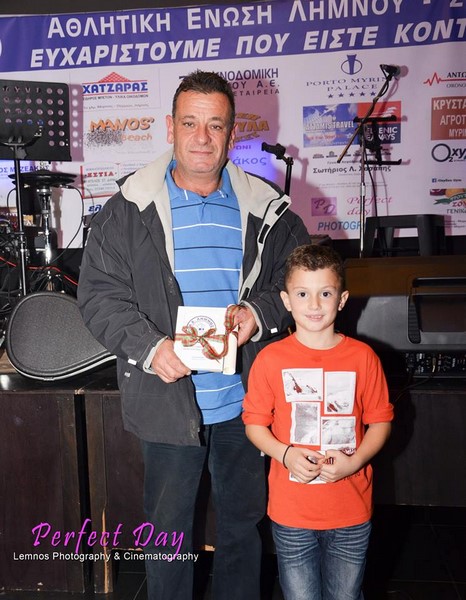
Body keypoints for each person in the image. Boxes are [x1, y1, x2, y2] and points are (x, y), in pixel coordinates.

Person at [77, 70, 309, 600]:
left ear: (232, 133)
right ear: (170, 128)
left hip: (247, 405)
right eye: (189, 123)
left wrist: (259, 312)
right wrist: (150, 347)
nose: (202, 137)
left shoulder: (267, 208)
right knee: (168, 538)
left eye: (215, 125)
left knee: (242, 530)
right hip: (166, 402)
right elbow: (98, 296)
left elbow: (295, 278)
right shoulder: (128, 208)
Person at [242, 244, 394, 600]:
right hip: (291, 512)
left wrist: (355, 462)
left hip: (351, 509)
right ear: (286, 300)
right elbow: (254, 425)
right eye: (302, 294)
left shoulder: (363, 357)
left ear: (342, 300)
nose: (314, 304)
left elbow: (381, 422)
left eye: (325, 293)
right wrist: (285, 454)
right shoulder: (270, 359)